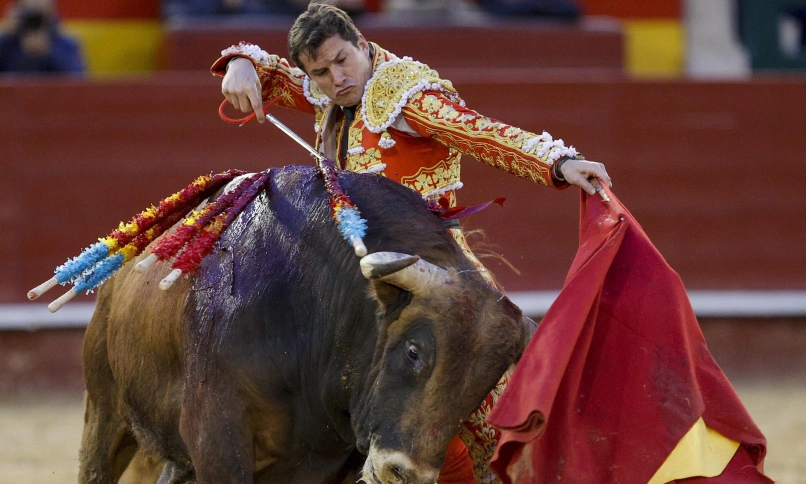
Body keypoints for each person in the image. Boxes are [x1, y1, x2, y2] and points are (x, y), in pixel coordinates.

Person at [213, 2, 610, 481]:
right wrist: (241, 62)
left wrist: (558, 163)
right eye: (321, 73)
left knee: (473, 399)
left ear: (362, 44)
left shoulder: (407, 96)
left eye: (342, 61)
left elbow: (481, 134)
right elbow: (274, 75)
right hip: (367, 277)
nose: (337, 79)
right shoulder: (328, 90)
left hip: (434, 271)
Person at [0, 0, 84, 74]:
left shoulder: (65, 44)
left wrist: (49, 53)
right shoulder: (8, 41)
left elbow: (78, 79)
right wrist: (6, 36)